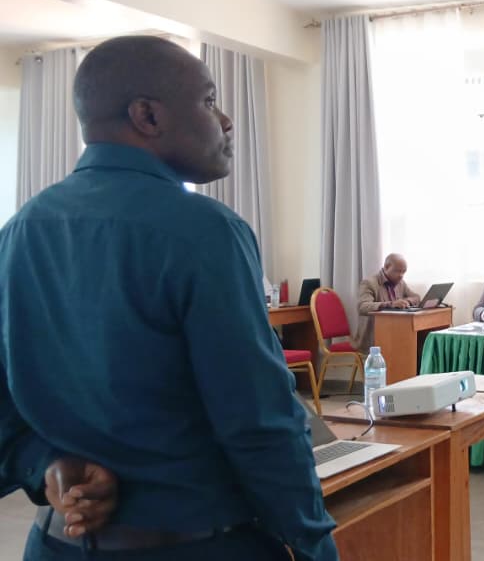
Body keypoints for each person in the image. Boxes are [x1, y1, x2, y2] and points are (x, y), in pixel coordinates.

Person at [0, 36, 337, 560]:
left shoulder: (18, 232)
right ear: (148, 116)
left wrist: (45, 464)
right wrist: (313, 541)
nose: (226, 120)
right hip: (197, 544)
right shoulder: (205, 232)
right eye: (208, 101)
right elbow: (258, 421)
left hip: (53, 545)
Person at [353, 253, 421, 349]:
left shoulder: (400, 283)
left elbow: (416, 297)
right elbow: (362, 307)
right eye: (397, 271)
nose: (401, 275)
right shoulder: (369, 283)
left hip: (395, 333)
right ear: (386, 267)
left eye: (403, 272)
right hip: (373, 338)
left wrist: (406, 301)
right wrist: (390, 304)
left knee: (416, 342)